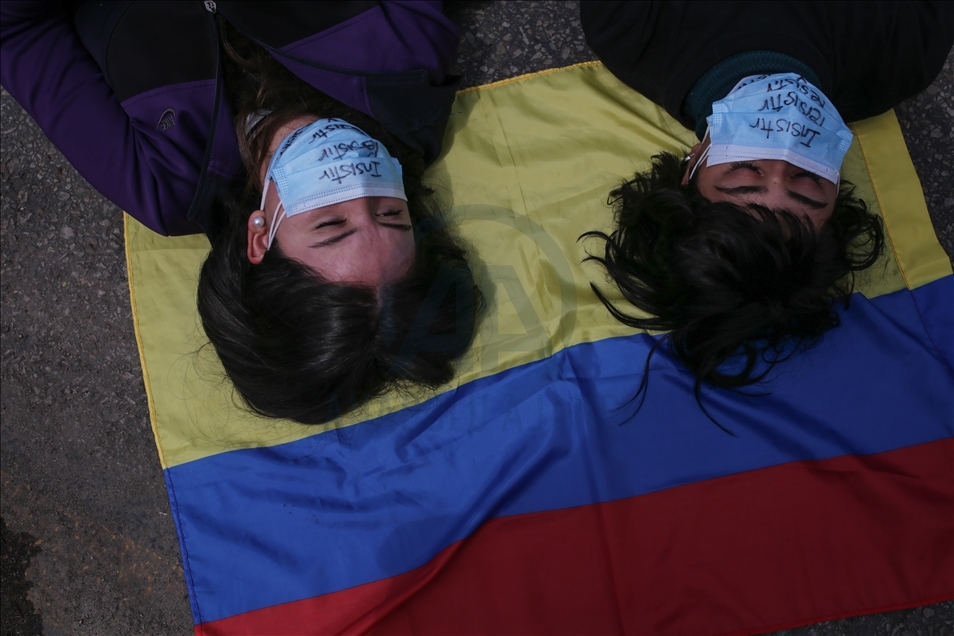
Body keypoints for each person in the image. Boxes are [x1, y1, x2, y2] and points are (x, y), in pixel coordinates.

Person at [0, 1, 482, 424]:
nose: (357, 185)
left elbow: (17, 32)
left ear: (259, 237)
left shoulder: (165, 184)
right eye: (391, 215)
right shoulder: (405, 70)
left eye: (331, 223)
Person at [579, 1, 954, 400]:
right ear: (837, 191)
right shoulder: (904, 54)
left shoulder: (627, 25)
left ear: (693, 164)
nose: (781, 157)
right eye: (807, 181)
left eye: (744, 171)